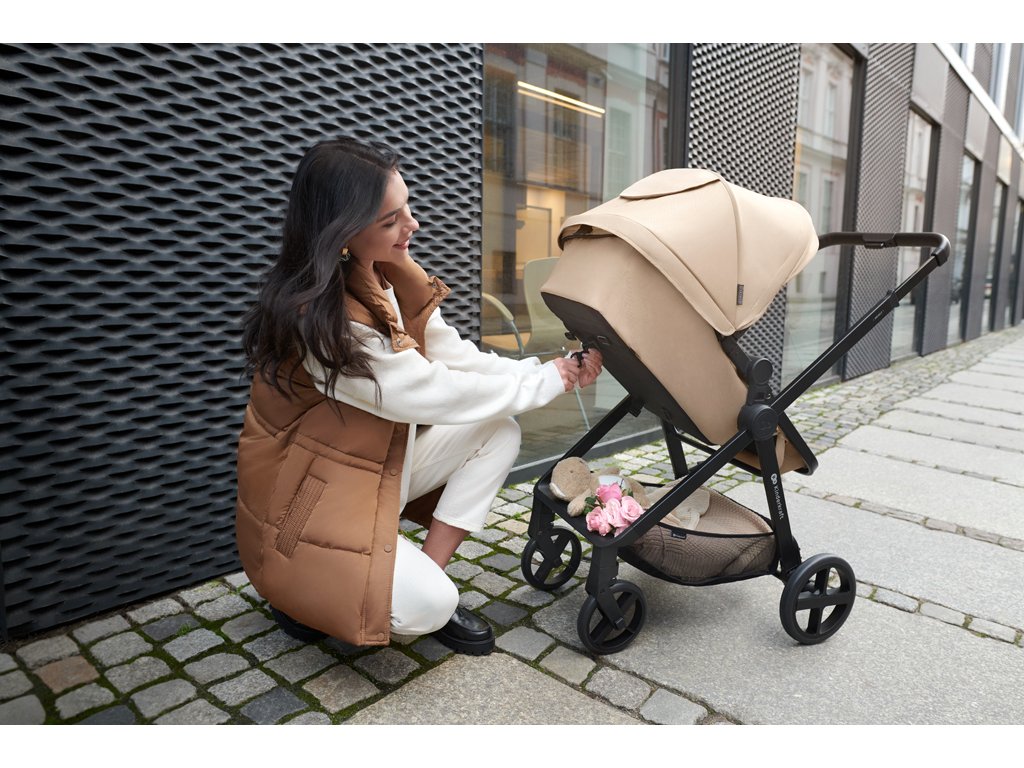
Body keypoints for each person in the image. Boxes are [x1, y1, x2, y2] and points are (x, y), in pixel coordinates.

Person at [234, 137, 602, 655]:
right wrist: (546, 382)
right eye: (391, 221)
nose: (413, 225)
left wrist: (551, 372)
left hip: (363, 469)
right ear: (341, 232)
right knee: (428, 607)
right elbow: (428, 392)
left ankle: (425, 575)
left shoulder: (380, 274)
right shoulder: (318, 321)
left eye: (407, 207)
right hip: (305, 508)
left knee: (496, 432)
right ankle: (306, 594)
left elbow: (455, 357)